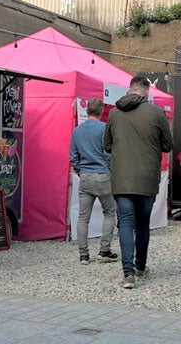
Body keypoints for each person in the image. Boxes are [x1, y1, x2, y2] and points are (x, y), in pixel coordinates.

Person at [104, 76, 172, 289]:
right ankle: (140, 266)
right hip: (147, 177)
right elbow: (168, 145)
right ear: (147, 93)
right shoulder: (157, 113)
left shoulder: (114, 113)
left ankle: (128, 273)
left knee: (125, 223)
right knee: (143, 223)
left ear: (129, 90)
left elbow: (106, 145)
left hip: (122, 178)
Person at [69, 98, 117, 265]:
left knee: (83, 218)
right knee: (110, 213)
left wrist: (81, 171)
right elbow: (108, 154)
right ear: (102, 110)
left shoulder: (77, 131)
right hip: (103, 175)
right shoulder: (104, 129)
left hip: (85, 177)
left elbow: (73, 156)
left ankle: (83, 255)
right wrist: (110, 170)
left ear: (87, 110)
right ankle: (104, 251)